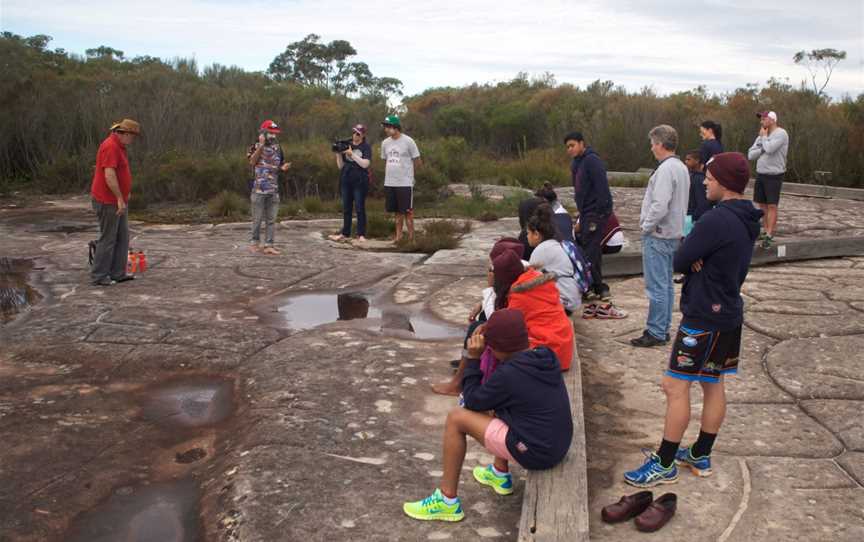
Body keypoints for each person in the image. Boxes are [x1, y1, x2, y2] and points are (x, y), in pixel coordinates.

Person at [623, 152, 763, 488]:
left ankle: (665, 462)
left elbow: (681, 258)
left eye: (711, 178)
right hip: (729, 313)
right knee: (713, 383)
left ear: (725, 182)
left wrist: (695, 256)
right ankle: (701, 453)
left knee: (674, 385)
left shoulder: (716, 220)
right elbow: (698, 258)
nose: (705, 181)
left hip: (703, 317)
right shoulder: (748, 218)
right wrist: (698, 257)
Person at [403, 309, 573, 522]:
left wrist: (474, 359)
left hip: (537, 452)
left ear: (496, 348)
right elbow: (495, 393)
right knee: (500, 404)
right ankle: (499, 474)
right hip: (557, 444)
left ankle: (446, 502)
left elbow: (472, 401)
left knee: (456, 418)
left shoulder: (509, 375)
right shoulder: (543, 355)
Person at [432, 245, 574, 395]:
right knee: (482, 328)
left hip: (548, 353)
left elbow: (501, 324)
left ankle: (459, 383)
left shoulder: (521, 294)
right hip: (558, 348)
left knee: (478, 333)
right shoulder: (532, 280)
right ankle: (466, 371)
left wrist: (489, 292)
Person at [630, 125, 689, 348]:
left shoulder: (665, 170)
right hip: (673, 234)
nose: (652, 148)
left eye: (653, 144)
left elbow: (659, 204)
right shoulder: (681, 167)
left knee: (656, 286)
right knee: (665, 285)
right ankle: (661, 328)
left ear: (661, 144)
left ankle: (655, 331)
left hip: (659, 235)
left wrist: (646, 226)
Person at [90, 118, 141, 286]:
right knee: (108, 238)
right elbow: (109, 175)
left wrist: (125, 194)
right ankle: (99, 275)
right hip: (107, 201)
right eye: (132, 137)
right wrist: (119, 198)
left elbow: (120, 173)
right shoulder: (110, 146)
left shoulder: (120, 146)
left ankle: (118, 273)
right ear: (124, 133)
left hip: (119, 200)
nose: (133, 140)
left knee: (122, 237)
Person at [565, 132, 613, 301]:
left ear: (581, 143)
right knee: (585, 248)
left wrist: (601, 212)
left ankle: (598, 286)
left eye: (572, 145)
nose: (570, 149)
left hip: (595, 213)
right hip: (585, 213)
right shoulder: (576, 164)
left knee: (592, 251)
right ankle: (589, 285)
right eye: (568, 147)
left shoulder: (592, 160)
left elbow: (602, 187)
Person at [526, 203, 581, 313]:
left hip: (564, 302)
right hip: (571, 297)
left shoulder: (541, 250)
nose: (526, 236)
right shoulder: (554, 244)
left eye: (528, 233)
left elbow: (529, 280)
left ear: (536, 234)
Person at [248, 119, 291, 255]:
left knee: (271, 220)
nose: (273, 136)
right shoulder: (254, 146)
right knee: (257, 218)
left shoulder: (278, 148)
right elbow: (252, 162)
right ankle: (254, 243)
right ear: (263, 133)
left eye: (275, 133)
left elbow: (279, 165)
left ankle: (269, 245)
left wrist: (283, 168)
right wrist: (260, 146)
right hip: (259, 189)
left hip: (273, 189)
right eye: (270, 133)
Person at [747, 111, 789, 249]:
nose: (761, 122)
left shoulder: (781, 133)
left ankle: (770, 234)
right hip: (761, 173)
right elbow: (751, 155)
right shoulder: (762, 136)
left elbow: (770, 149)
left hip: (774, 175)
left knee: (772, 205)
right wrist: (762, 147)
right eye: (761, 119)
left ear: (772, 120)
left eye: (764, 119)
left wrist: (764, 139)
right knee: (762, 205)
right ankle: (765, 231)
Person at [381, 115, 421, 242]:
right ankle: (398, 237)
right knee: (397, 212)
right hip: (390, 182)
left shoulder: (408, 141)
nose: (386, 129)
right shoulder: (385, 143)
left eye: (388, 127)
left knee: (408, 212)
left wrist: (411, 176)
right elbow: (385, 160)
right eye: (385, 127)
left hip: (405, 183)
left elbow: (417, 161)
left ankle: (411, 238)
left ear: (396, 127)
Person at [330, 124, 372, 244]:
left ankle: (361, 234)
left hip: (360, 181)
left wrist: (351, 154)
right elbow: (340, 166)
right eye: (354, 132)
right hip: (346, 180)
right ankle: (345, 233)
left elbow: (365, 164)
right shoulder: (347, 143)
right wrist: (338, 154)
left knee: (359, 208)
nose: (355, 135)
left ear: (363, 135)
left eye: (358, 133)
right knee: (346, 208)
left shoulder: (366, 147)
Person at [684, 150, 713, 232]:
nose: (686, 162)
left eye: (689, 160)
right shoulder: (692, 176)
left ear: (697, 161)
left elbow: (702, 203)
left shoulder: (699, 179)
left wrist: (692, 218)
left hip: (692, 220)